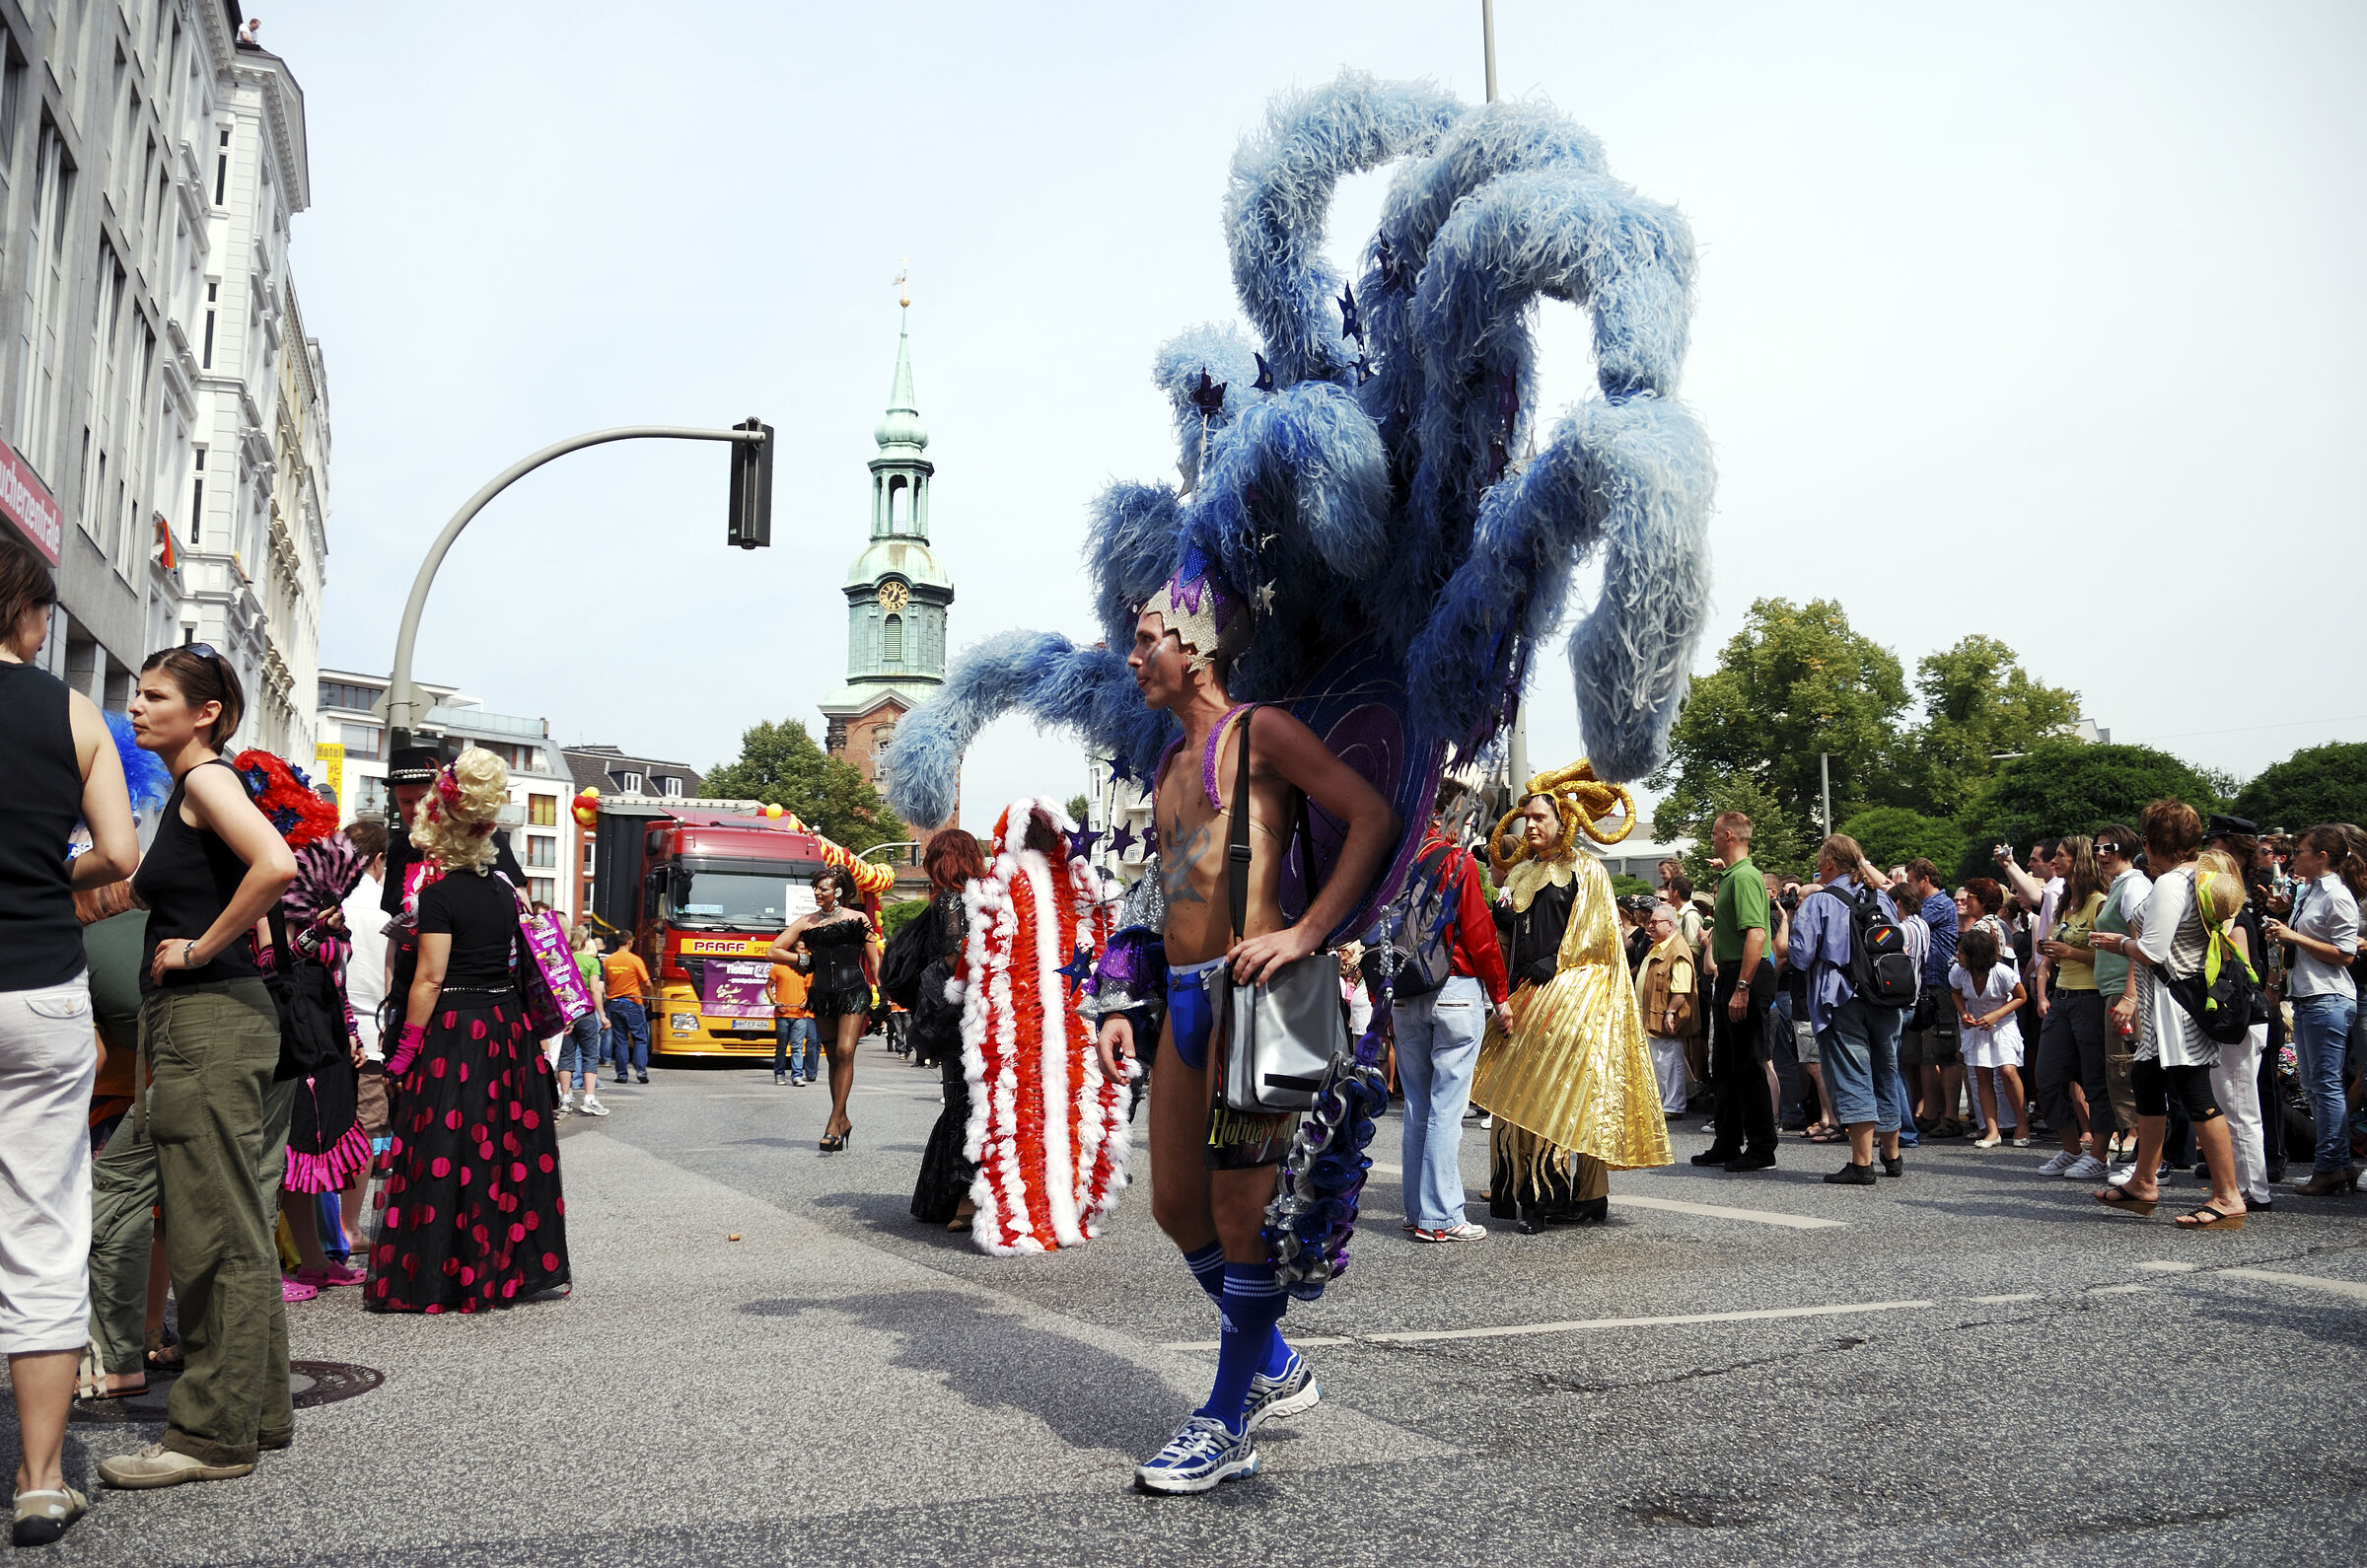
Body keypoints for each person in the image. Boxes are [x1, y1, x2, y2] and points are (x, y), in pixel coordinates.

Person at [1090, 552, 1398, 1494]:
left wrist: (1308, 930)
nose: (1132, 658)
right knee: (1175, 1208)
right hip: (1183, 999)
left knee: (1239, 1213)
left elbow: (1372, 814)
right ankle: (1271, 1359)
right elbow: (1164, 889)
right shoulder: (1169, 761)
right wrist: (1118, 994)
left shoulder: (1257, 733)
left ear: (1198, 646)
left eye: (1146, 641)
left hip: (1257, 1001)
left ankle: (1226, 1420)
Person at [99, 646, 299, 1491]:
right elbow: (140, 891)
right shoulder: (193, 792)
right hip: (212, 1024)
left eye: (154, 697)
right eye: (137, 696)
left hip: (209, 1019)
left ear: (206, 712)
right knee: (235, 1222)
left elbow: (276, 867)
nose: (137, 709)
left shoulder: (209, 781)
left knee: (213, 1230)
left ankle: (212, 1438)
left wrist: (198, 950)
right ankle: (258, 1412)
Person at [0, 542, 136, 1543]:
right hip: (38, 988)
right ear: (30, 616)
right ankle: (41, 1479)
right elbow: (120, 856)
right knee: (42, 1226)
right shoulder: (72, 715)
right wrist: (51, 878)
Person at [366, 748, 570, 1311]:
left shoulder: (437, 897)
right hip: (507, 1028)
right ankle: (501, 1269)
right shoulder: (506, 892)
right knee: (502, 1148)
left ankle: (445, 1273)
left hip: (456, 1030)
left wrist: (403, 1055)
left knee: (447, 1149)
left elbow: (427, 981)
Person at [1472, 763, 1671, 1232]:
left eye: (1541, 818)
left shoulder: (1588, 871)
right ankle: (1529, 1191)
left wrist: (1556, 966)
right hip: (1527, 999)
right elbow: (1510, 931)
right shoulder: (1522, 873)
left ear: (1565, 821)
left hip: (1573, 1000)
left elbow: (1600, 939)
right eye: (1528, 819)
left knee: (1564, 1095)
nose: (1532, 826)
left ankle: (1566, 1196)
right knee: (1527, 1094)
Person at [2091, 801, 2250, 1229]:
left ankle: (2227, 1196)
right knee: (2146, 1082)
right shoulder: (2197, 875)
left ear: (2150, 842)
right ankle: (2143, 1182)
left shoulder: (2170, 884)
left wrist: (2116, 943)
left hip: (2173, 1009)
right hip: (2164, 1007)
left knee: (2197, 1096)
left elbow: (2152, 950)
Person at [1392, 780, 1509, 1243]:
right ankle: (1441, 1216)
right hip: (1455, 989)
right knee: (1446, 1109)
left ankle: (1416, 1209)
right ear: (1452, 816)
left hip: (1404, 990)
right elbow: (1479, 934)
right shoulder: (1455, 862)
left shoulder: (1395, 861)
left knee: (1418, 1106)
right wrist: (1500, 997)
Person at [1790, 834, 1907, 1184]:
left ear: (1828, 863)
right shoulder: (1881, 898)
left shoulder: (1819, 902)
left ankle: (1861, 1163)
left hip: (1841, 996)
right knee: (1886, 1071)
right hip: (1885, 994)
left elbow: (1801, 955)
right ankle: (1892, 1155)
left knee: (1854, 1073)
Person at [2262, 824, 2361, 1196]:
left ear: (2322, 857)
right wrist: (2285, 917)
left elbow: (2345, 953)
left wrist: (2292, 935)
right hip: (2308, 996)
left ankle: (2330, 1166)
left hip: (2328, 997)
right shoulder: (2310, 890)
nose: (2295, 855)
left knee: (2325, 1086)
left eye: (2302, 850)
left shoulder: (2338, 895)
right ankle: (2335, 1165)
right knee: (2315, 1086)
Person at [906, 827, 986, 1228]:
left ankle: (957, 1199)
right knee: (975, 1101)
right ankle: (963, 1198)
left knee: (960, 1099)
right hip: (986, 1008)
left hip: (959, 1011)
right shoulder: (987, 896)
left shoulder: (950, 901)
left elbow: (957, 953)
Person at [765, 867, 877, 1152]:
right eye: (815, 888)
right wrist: (803, 961)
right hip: (822, 995)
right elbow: (774, 950)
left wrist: (884, 995)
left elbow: (874, 962)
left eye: (822, 888)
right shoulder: (807, 921)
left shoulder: (858, 919)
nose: (817, 892)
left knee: (845, 1051)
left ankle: (833, 1121)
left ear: (838, 891)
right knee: (832, 1058)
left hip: (853, 992)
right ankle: (843, 1119)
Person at [1694, 811, 1777, 1172]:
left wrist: (1742, 987)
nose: (1711, 839)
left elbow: (1757, 934)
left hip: (1746, 974)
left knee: (1747, 1062)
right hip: (1731, 972)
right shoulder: (1734, 875)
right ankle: (1727, 1142)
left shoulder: (1743, 878)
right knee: (1725, 1065)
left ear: (1728, 835)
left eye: (1714, 834)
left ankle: (1761, 1147)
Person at [2032, 837, 2111, 1176]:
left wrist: (2069, 953)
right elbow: (2050, 954)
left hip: (2090, 998)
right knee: (2047, 1077)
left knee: (2095, 1080)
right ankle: (2070, 1148)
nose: (2055, 861)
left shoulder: (2100, 903)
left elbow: (2111, 957)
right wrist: (2042, 990)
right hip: (2062, 998)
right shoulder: (2066, 904)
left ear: (2080, 861)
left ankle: (2099, 1153)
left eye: (2061, 856)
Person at [2084, 826, 2150, 1163]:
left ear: (2126, 847)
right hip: (2111, 990)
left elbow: (2142, 943)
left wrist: (2130, 996)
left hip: (2125, 995)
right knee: (2118, 1072)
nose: (2100, 854)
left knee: (2125, 1071)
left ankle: (2139, 1151)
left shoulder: (2134, 884)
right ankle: (2134, 1148)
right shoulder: (2118, 886)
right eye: (2096, 848)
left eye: (2108, 847)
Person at [1900, 859, 1965, 1139]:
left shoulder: (1940, 904)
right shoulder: (1930, 904)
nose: (1910, 887)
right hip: (1923, 986)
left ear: (1925, 880)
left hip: (1941, 985)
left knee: (1945, 1053)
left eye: (1911, 880)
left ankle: (1950, 1115)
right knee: (1923, 1055)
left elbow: (1911, 921)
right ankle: (1927, 1114)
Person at [1952, 928, 2029, 1149]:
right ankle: (1992, 1130)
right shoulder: (1959, 972)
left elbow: (2021, 996)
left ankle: (2021, 1123)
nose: (1958, 957)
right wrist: (1963, 1012)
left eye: (1962, 953)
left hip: (2003, 1024)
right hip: (1977, 1026)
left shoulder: (2002, 972)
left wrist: (1996, 1014)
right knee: (1982, 1074)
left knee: (2007, 1070)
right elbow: (1955, 992)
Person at [1635, 904, 1696, 1116]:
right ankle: (1663, 1103)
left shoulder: (1677, 949)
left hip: (1663, 1014)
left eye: (1655, 922)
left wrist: (1670, 1012)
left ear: (1670, 925)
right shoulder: (1658, 945)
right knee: (1660, 1062)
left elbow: (1681, 988)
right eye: (1650, 922)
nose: (1649, 926)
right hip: (1652, 1013)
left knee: (1668, 1061)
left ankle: (1673, 1106)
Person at [559, 932, 608, 1115]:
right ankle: (589, 1098)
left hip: (566, 1013)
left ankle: (564, 1097)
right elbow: (596, 989)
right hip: (585, 1012)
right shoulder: (591, 962)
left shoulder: (563, 960)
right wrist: (602, 1015)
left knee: (566, 1056)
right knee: (590, 1055)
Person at [601, 933, 653, 1087]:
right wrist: (647, 998)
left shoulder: (609, 960)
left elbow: (604, 982)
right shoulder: (634, 959)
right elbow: (648, 983)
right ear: (630, 942)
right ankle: (641, 1071)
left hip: (614, 1003)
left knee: (621, 1040)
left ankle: (622, 1074)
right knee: (639, 1038)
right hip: (632, 1002)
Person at [767, 939, 815, 1088]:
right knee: (781, 1046)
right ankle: (779, 1073)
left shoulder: (806, 970)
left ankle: (797, 1075)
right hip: (782, 1015)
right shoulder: (778, 967)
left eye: (805, 949)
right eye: (801, 949)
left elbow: (809, 991)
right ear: (793, 951)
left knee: (797, 1047)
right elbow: (768, 987)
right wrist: (775, 1002)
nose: (804, 952)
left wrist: (805, 1002)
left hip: (800, 1015)